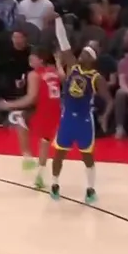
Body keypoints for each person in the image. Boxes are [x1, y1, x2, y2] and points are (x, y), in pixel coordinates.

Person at [49, 16, 109, 203]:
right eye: (82, 52)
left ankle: (90, 189)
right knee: (59, 154)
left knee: (87, 156)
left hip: (84, 120)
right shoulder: (73, 67)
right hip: (67, 118)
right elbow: (63, 42)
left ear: (92, 59)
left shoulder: (96, 77)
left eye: (86, 53)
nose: (82, 54)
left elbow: (109, 100)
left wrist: (105, 116)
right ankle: (54, 184)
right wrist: (58, 21)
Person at [0, 50, 61, 189]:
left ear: (41, 60)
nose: (30, 61)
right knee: (45, 141)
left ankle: (27, 158)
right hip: (56, 110)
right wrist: (59, 62)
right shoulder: (53, 71)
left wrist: (8, 105)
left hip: (43, 110)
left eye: (33, 58)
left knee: (20, 120)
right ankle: (40, 175)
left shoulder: (33, 74)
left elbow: (31, 98)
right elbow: (61, 79)